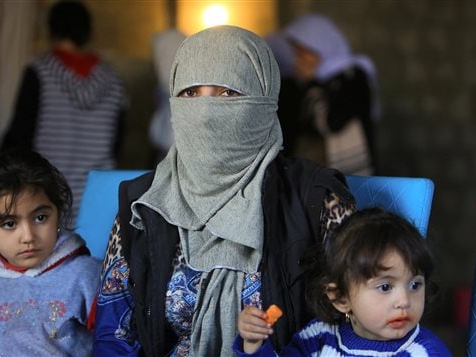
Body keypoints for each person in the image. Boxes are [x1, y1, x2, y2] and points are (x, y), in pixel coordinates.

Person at [93, 25, 356, 356]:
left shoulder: (315, 197)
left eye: (228, 93)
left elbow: (358, 317)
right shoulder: (144, 204)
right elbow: (114, 335)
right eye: (190, 94)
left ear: (265, 98)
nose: (204, 113)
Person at [235, 207, 452, 356]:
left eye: (415, 285)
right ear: (340, 298)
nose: (404, 301)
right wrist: (253, 344)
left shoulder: (423, 352)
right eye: (385, 287)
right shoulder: (318, 337)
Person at [0, 149, 101, 356]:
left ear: (58, 211)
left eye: (40, 218)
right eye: (9, 223)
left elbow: (117, 345)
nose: (28, 236)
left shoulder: (87, 278)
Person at [0, 0, 127, 220]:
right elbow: (117, 143)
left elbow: (19, 136)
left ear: (51, 31)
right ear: (89, 33)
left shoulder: (39, 73)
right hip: (99, 199)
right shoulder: (114, 81)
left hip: (47, 196)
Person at [273, 13, 379, 175]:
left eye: (303, 52)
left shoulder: (352, 77)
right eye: (297, 53)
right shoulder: (298, 82)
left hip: (349, 172)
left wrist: (311, 84)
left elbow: (332, 122)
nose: (298, 59)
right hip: (314, 173)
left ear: (321, 47)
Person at [148, 28, 186, 165]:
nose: (156, 64)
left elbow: (166, 140)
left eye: (160, 56)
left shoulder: (183, 96)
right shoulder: (164, 92)